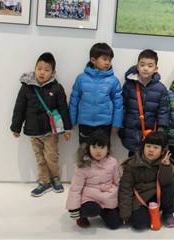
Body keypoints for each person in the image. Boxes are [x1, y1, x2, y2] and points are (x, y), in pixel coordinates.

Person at [10, 52, 72, 197]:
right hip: (33, 130)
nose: (42, 72)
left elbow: (63, 109)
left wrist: (67, 129)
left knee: (51, 156)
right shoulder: (26, 87)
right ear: (35, 68)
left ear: (53, 72)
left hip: (50, 131)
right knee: (40, 158)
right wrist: (16, 127)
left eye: (46, 69)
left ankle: (55, 178)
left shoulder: (57, 88)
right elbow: (19, 108)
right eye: (39, 68)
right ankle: (44, 181)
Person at [118, 132, 174, 229]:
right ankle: (149, 213)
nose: (151, 150)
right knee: (140, 225)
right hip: (141, 199)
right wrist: (125, 213)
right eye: (148, 146)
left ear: (162, 151)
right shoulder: (132, 164)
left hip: (158, 196)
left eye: (155, 147)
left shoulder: (165, 161)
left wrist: (165, 167)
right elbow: (125, 189)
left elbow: (166, 183)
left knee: (171, 189)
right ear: (143, 147)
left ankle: (167, 213)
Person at [69, 43, 123, 144]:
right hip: (85, 123)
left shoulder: (113, 81)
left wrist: (117, 124)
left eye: (110, 60)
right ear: (93, 60)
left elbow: (118, 105)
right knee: (84, 150)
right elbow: (74, 100)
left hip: (104, 124)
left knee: (102, 151)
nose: (108, 62)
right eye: (105, 59)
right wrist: (72, 120)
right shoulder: (81, 79)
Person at [66, 132, 122, 229]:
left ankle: (103, 212)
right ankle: (82, 216)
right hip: (89, 198)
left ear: (108, 149)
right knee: (91, 209)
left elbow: (117, 181)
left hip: (107, 197)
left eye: (102, 147)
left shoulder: (113, 162)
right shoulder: (83, 164)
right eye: (94, 147)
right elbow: (75, 188)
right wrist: (74, 208)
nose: (98, 151)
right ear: (89, 148)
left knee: (115, 224)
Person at [121, 49, 169, 157]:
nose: (146, 68)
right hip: (131, 132)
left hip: (151, 135)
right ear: (137, 66)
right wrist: (121, 127)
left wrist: (161, 131)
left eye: (150, 65)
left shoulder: (161, 89)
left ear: (156, 69)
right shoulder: (129, 85)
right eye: (142, 65)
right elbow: (123, 107)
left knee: (150, 162)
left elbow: (163, 112)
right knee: (132, 161)